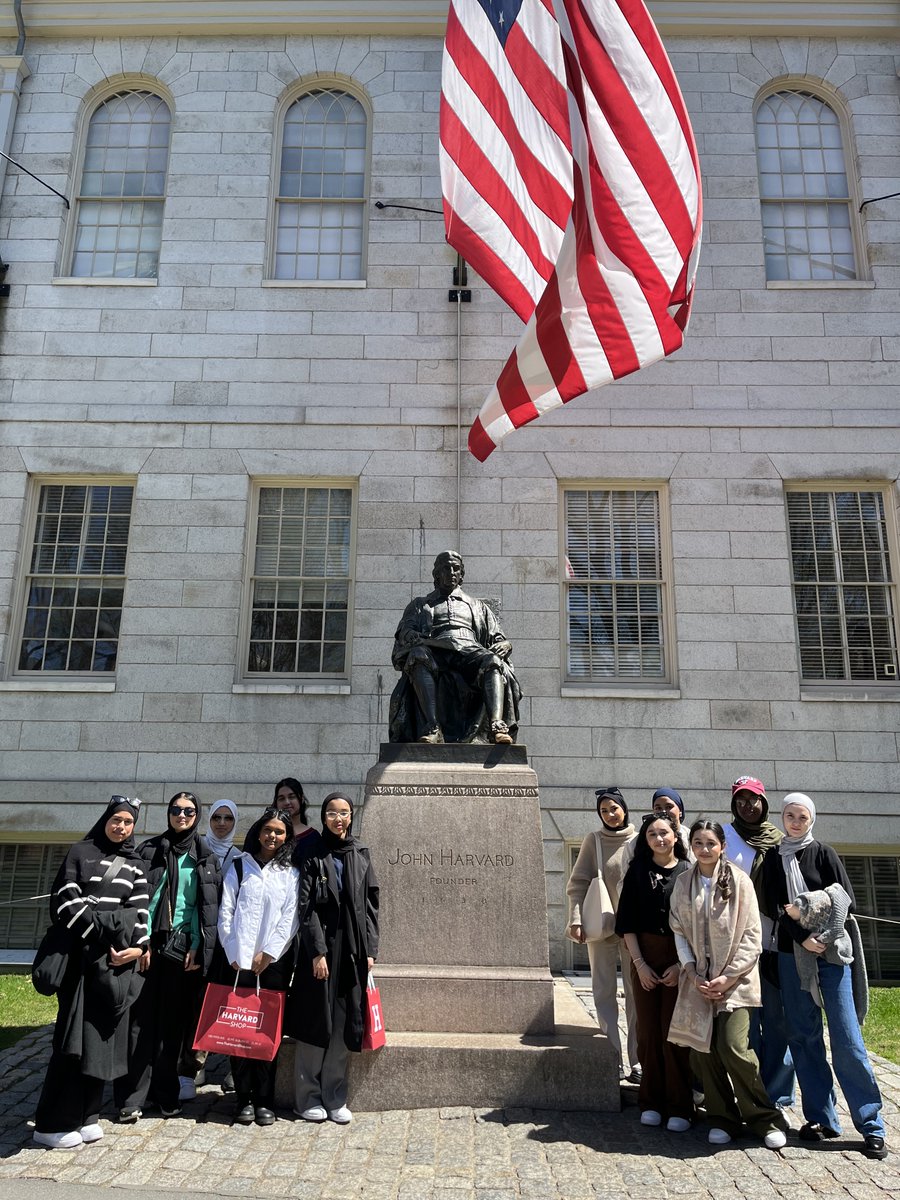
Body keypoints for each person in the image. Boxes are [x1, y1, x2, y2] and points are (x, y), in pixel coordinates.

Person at [760, 793, 888, 1161]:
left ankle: (871, 1124)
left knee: (848, 1039)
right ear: (782, 818)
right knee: (802, 1036)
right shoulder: (773, 857)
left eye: (801, 816)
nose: (795, 821)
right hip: (791, 954)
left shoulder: (824, 853)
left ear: (811, 819)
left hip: (832, 955)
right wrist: (802, 937)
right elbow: (774, 906)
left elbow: (845, 900)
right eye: (789, 815)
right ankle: (821, 1119)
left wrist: (823, 938)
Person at [32, 796, 149, 1149]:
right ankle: (51, 1123)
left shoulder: (136, 864)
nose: (121, 827)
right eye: (116, 820)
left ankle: (88, 1115)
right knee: (72, 1041)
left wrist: (138, 947)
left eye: (128, 822)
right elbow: (65, 903)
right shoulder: (79, 853)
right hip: (79, 964)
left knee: (102, 1041)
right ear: (106, 819)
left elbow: (140, 914)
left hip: (113, 966)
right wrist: (112, 927)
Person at [668, 821, 788, 1149]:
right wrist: (691, 971)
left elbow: (752, 934)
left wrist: (730, 976)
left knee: (734, 1048)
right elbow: (678, 930)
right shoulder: (683, 883)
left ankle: (764, 1118)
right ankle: (722, 1118)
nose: (704, 849)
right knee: (703, 1050)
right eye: (697, 843)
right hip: (698, 981)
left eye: (710, 843)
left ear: (721, 845)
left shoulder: (739, 881)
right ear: (690, 846)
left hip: (736, 982)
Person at [114, 791, 220, 1122]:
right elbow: (136, 901)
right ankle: (132, 1095)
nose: (182, 815)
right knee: (139, 1023)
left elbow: (205, 907)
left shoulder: (205, 857)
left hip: (182, 949)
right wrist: (141, 941)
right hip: (146, 944)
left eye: (189, 810)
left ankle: (165, 1092)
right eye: (176, 809)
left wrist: (196, 945)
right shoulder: (149, 851)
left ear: (197, 815)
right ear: (168, 813)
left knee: (172, 1028)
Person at [287, 792, 379, 1124]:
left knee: (343, 1024)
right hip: (322, 950)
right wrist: (317, 952)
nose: (337, 819)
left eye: (343, 813)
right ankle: (306, 1096)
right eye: (331, 813)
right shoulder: (312, 852)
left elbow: (371, 906)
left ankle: (334, 1095)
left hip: (352, 950)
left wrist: (370, 950)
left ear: (351, 817)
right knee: (316, 1023)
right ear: (323, 816)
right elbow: (306, 906)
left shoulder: (360, 853)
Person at [388, 550, 521, 745]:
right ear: (437, 574)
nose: (451, 572)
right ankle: (433, 727)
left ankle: (497, 726)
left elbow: (497, 637)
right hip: (435, 649)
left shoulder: (477, 606)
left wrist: (506, 644)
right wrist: (410, 635)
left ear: (461, 575)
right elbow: (405, 631)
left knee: (492, 660)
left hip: (469, 650)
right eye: (445, 568)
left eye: (455, 568)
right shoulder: (420, 604)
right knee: (417, 655)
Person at [217, 808, 299, 1126]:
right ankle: (243, 1099)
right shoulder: (239, 866)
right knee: (238, 1032)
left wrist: (268, 953)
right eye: (268, 830)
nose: (272, 837)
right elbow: (226, 911)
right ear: (258, 832)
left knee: (266, 1034)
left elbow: (289, 919)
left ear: (287, 838)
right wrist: (234, 951)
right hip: (238, 963)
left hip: (271, 965)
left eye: (279, 832)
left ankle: (264, 1100)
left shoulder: (290, 873)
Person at [615, 812, 692, 1131]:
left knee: (673, 1035)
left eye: (664, 833)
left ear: (675, 836)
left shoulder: (688, 872)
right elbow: (627, 923)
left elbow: (695, 925)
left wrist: (680, 965)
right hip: (644, 960)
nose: (659, 839)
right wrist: (640, 964)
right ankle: (651, 1100)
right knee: (647, 1034)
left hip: (679, 959)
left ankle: (680, 1105)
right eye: (651, 835)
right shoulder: (636, 871)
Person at [723, 775, 795, 1111]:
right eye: (740, 800)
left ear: (764, 803)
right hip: (738, 947)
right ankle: (747, 1093)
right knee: (745, 1027)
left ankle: (777, 1096)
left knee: (779, 1023)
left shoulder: (781, 841)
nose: (747, 806)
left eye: (753, 800)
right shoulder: (724, 836)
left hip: (776, 945)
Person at [565, 786, 640, 1081]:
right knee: (603, 992)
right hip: (601, 927)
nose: (609, 815)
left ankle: (638, 1060)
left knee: (636, 995)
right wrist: (575, 919)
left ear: (624, 809)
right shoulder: (593, 840)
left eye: (614, 809)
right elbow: (578, 883)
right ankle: (612, 1058)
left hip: (633, 929)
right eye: (603, 810)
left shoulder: (639, 839)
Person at [185, 798, 241, 1099]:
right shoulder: (198, 849)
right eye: (217, 817)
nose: (221, 823)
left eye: (228, 819)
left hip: (229, 941)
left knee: (231, 1002)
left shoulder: (241, 857)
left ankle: (235, 1065)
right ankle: (196, 1064)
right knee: (201, 1001)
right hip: (204, 937)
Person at [273, 777, 322, 864]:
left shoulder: (313, 837)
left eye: (292, 797)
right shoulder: (267, 834)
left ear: (301, 798)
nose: (287, 802)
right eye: (281, 798)